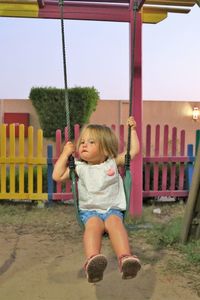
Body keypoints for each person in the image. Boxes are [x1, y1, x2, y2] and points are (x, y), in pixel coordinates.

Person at [52, 116, 141, 283]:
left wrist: (133, 131)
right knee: (93, 226)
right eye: (83, 141)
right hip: (90, 211)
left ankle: (125, 258)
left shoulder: (113, 163)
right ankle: (93, 261)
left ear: (106, 149)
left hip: (112, 209)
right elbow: (57, 176)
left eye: (91, 142)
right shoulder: (79, 167)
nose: (84, 144)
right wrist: (65, 154)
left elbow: (134, 151)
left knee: (115, 223)